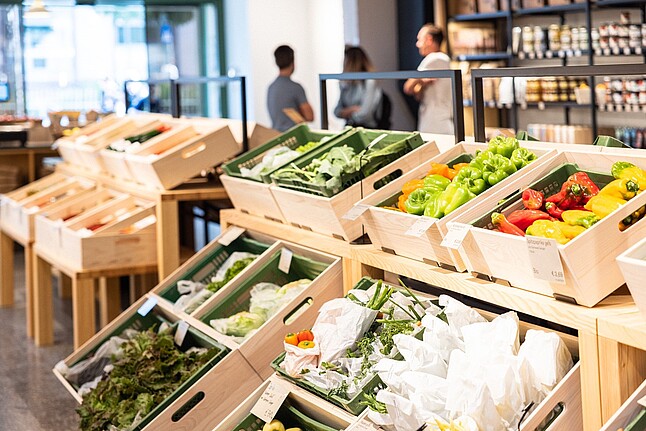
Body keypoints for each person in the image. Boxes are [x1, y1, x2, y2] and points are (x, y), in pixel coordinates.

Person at [403, 24, 453, 135]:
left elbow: (408, 87)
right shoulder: (443, 60)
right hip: (435, 122)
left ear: (429, 39)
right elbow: (417, 93)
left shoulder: (434, 58)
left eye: (419, 39)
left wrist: (418, 82)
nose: (417, 44)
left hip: (435, 124)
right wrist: (421, 83)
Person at [334, 46, 386, 129]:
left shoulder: (369, 81)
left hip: (367, 129)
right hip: (350, 128)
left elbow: (365, 115)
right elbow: (336, 112)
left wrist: (346, 113)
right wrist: (353, 109)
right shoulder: (346, 83)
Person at [267, 45, 314, 132]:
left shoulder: (271, 88)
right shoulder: (296, 88)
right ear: (293, 62)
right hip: (294, 137)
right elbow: (310, 116)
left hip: (275, 136)